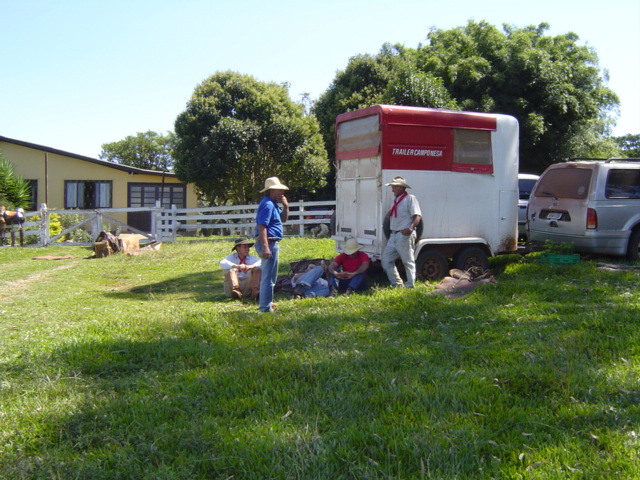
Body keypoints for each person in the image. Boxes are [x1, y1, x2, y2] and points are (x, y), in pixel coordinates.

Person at [255, 177, 289, 313]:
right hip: (269, 242)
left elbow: (283, 219)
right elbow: (262, 226)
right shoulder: (268, 204)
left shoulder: (272, 204)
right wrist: (265, 246)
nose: (282, 192)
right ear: (271, 191)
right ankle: (264, 307)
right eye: (279, 190)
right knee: (268, 277)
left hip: (272, 242)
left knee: (271, 276)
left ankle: (267, 301)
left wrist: (286, 206)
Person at [381, 176, 422, 288]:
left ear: (400, 187)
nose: (392, 189)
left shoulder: (410, 198)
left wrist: (410, 228)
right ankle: (397, 284)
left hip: (404, 234)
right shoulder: (395, 200)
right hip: (394, 234)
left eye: (394, 187)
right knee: (386, 260)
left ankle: (410, 285)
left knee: (407, 261)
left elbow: (417, 216)